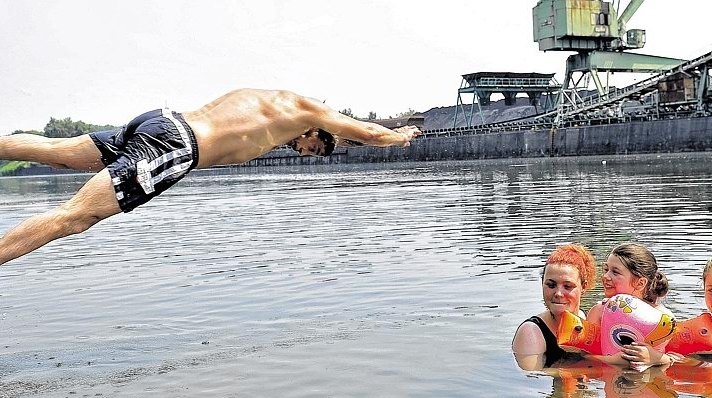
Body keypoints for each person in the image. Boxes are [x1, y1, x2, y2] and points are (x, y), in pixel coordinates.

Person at [0, 88, 421, 265]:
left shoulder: (266, 102)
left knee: (56, 151)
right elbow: (368, 132)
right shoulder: (308, 112)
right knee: (75, 217)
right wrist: (398, 136)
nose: (306, 151)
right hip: (175, 146)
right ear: (317, 130)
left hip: (159, 122)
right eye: (316, 147)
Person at [586, 242, 673, 369]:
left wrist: (657, 359)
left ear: (640, 283)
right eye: (606, 270)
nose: (605, 276)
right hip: (610, 377)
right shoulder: (599, 312)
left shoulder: (663, 318)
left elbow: (677, 358)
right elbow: (584, 356)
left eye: (615, 272)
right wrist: (614, 361)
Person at [512, 243, 597, 370]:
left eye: (567, 286)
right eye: (551, 285)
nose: (558, 293)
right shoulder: (531, 332)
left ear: (583, 287)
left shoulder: (590, 320)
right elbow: (530, 381)